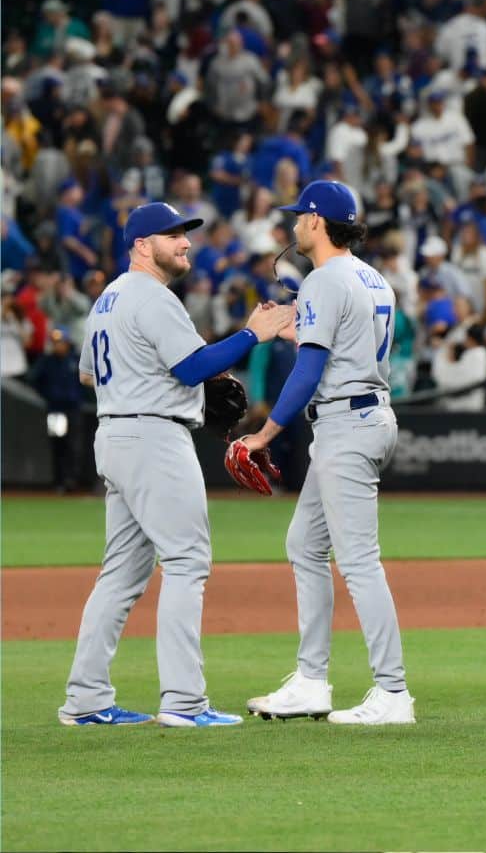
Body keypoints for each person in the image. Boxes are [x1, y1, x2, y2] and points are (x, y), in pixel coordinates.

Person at [58, 202, 294, 728]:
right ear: (143, 245)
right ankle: (184, 703)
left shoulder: (107, 300)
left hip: (116, 434)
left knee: (120, 574)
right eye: (172, 234)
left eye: (186, 234)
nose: (185, 242)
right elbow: (192, 368)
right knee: (187, 562)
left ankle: (85, 700)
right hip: (153, 438)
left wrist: (142, 379)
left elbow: (88, 377)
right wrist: (251, 333)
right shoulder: (150, 296)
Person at [239, 181, 415, 725]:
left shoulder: (321, 280)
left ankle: (392, 693)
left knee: (359, 561)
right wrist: (300, 330)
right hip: (365, 413)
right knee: (305, 544)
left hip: (347, 422)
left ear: (316, 223)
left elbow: (312, 369)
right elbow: (337, 345)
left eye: (299, 217)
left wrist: (265, 433)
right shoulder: (372, 277)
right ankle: (311, 681)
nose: (293, 225)